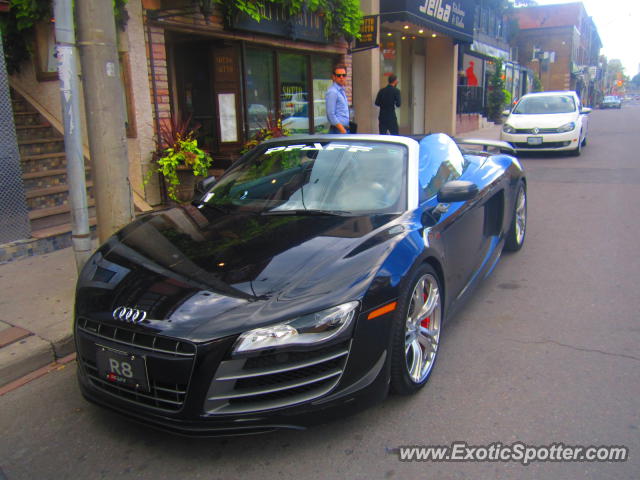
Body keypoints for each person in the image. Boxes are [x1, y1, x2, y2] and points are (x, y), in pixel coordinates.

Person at [325, 64, 351, 134]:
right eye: (339, 75)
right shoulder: (332, 92)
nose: (341, 77)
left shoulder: (341, 91)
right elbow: (330, 114)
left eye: (344, 75)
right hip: (338, 130)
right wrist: (342, 130)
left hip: (345, 129)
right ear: (334, 77)